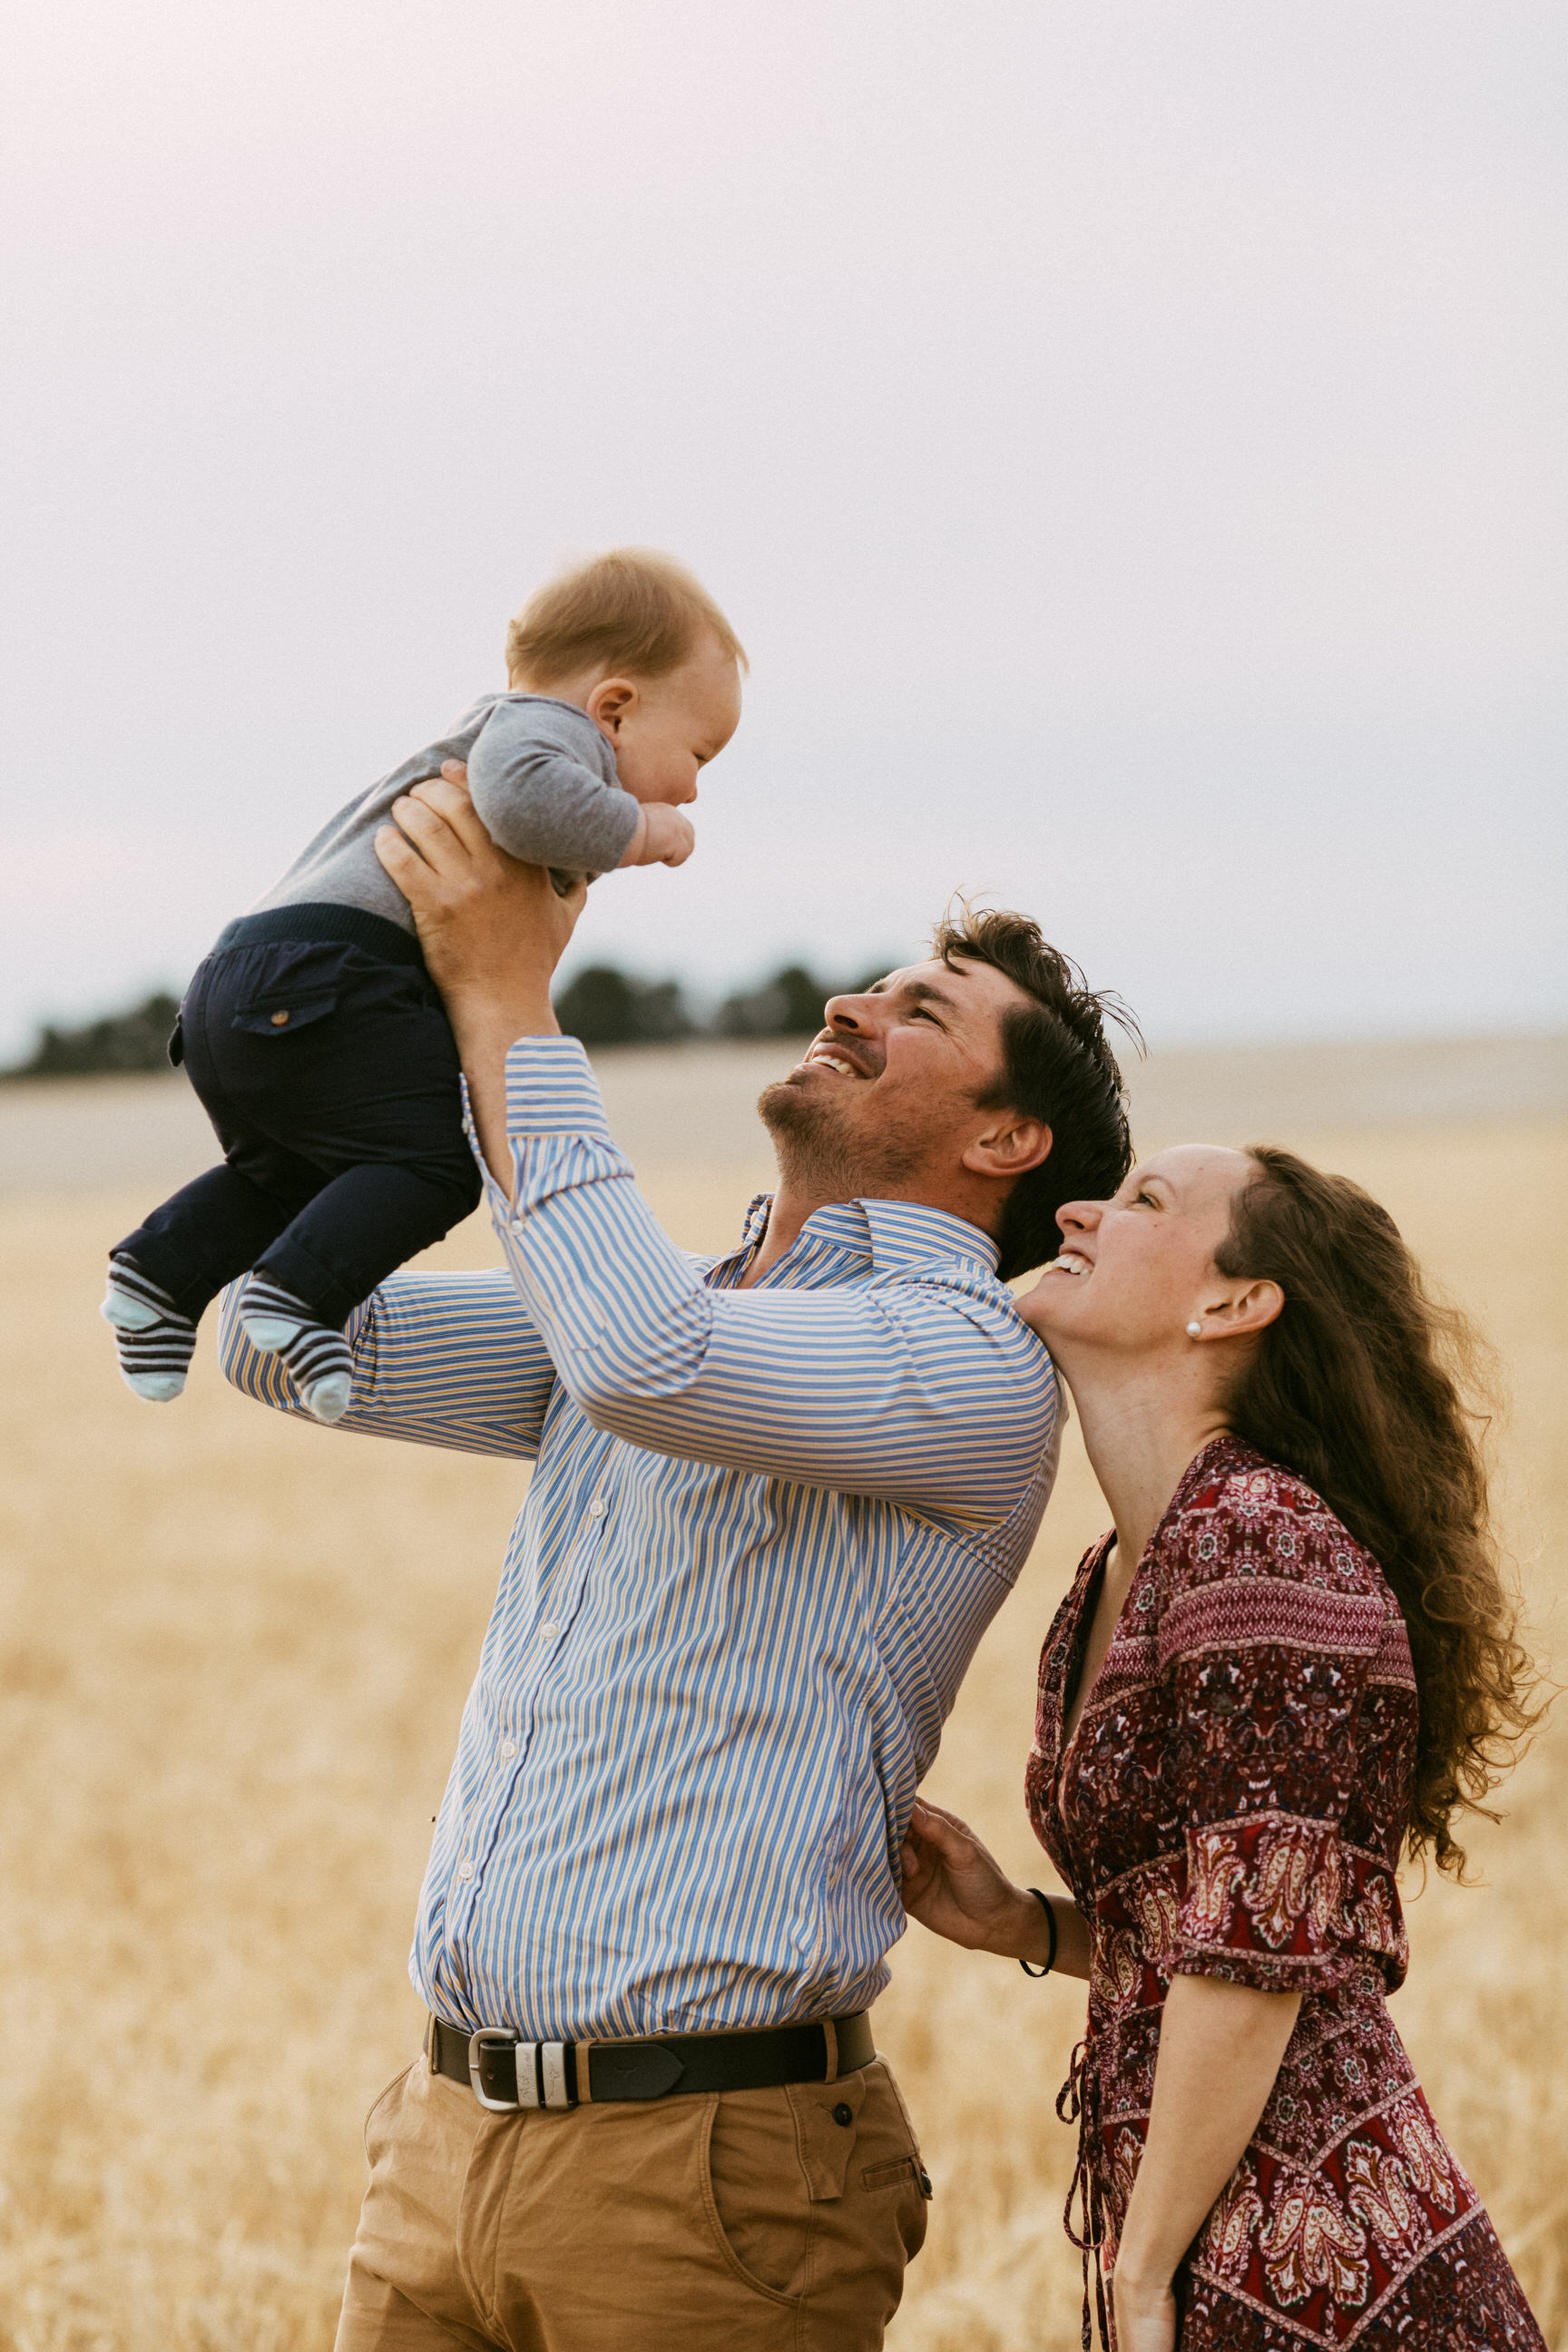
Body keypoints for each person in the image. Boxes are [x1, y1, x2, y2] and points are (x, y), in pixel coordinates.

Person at [219, 769, 1138, 2352]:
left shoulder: (963, 1355)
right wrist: (341, 1028)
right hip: (444, 2138)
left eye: (921, 1007)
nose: (849, 1002)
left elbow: (647, 1357)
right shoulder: (661, 1309)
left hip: (706, 2171)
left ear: (1007, 1132)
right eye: (872, 981)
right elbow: (279, 1332)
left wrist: (508, 992)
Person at [900, 1142, 1545, 2350]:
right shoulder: (1114, 1573)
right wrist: (1022, 1927)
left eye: (1144, 1200)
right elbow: (1210, 1929)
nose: (1079, 1209)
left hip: (1322, 2264)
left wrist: (1144, 2275)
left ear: (1233, 1304)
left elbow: (1259, 1951)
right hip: (1209, 2222)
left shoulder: (1264, 1544)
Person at [102, 548, 743, 1419]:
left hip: (253, 984)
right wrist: (645, 830)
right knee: (435, 1163)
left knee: (298, 1168)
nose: (695, 791)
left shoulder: (506, 734)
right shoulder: (541, 732)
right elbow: (526, 805)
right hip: (329, 972)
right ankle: (294, 1297)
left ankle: (155, 1278)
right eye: (699, 755)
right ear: (615, 708)